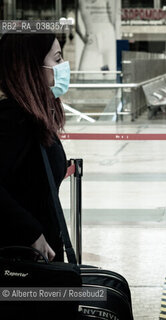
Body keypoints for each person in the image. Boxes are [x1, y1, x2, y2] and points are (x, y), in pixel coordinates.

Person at [0, 32, 70, 262]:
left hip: (39, 258)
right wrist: (31, 232)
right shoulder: (12, 120)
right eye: (57, 59)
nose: (63, 66)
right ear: (31, 66)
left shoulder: (32, 117)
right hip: (22, 263)